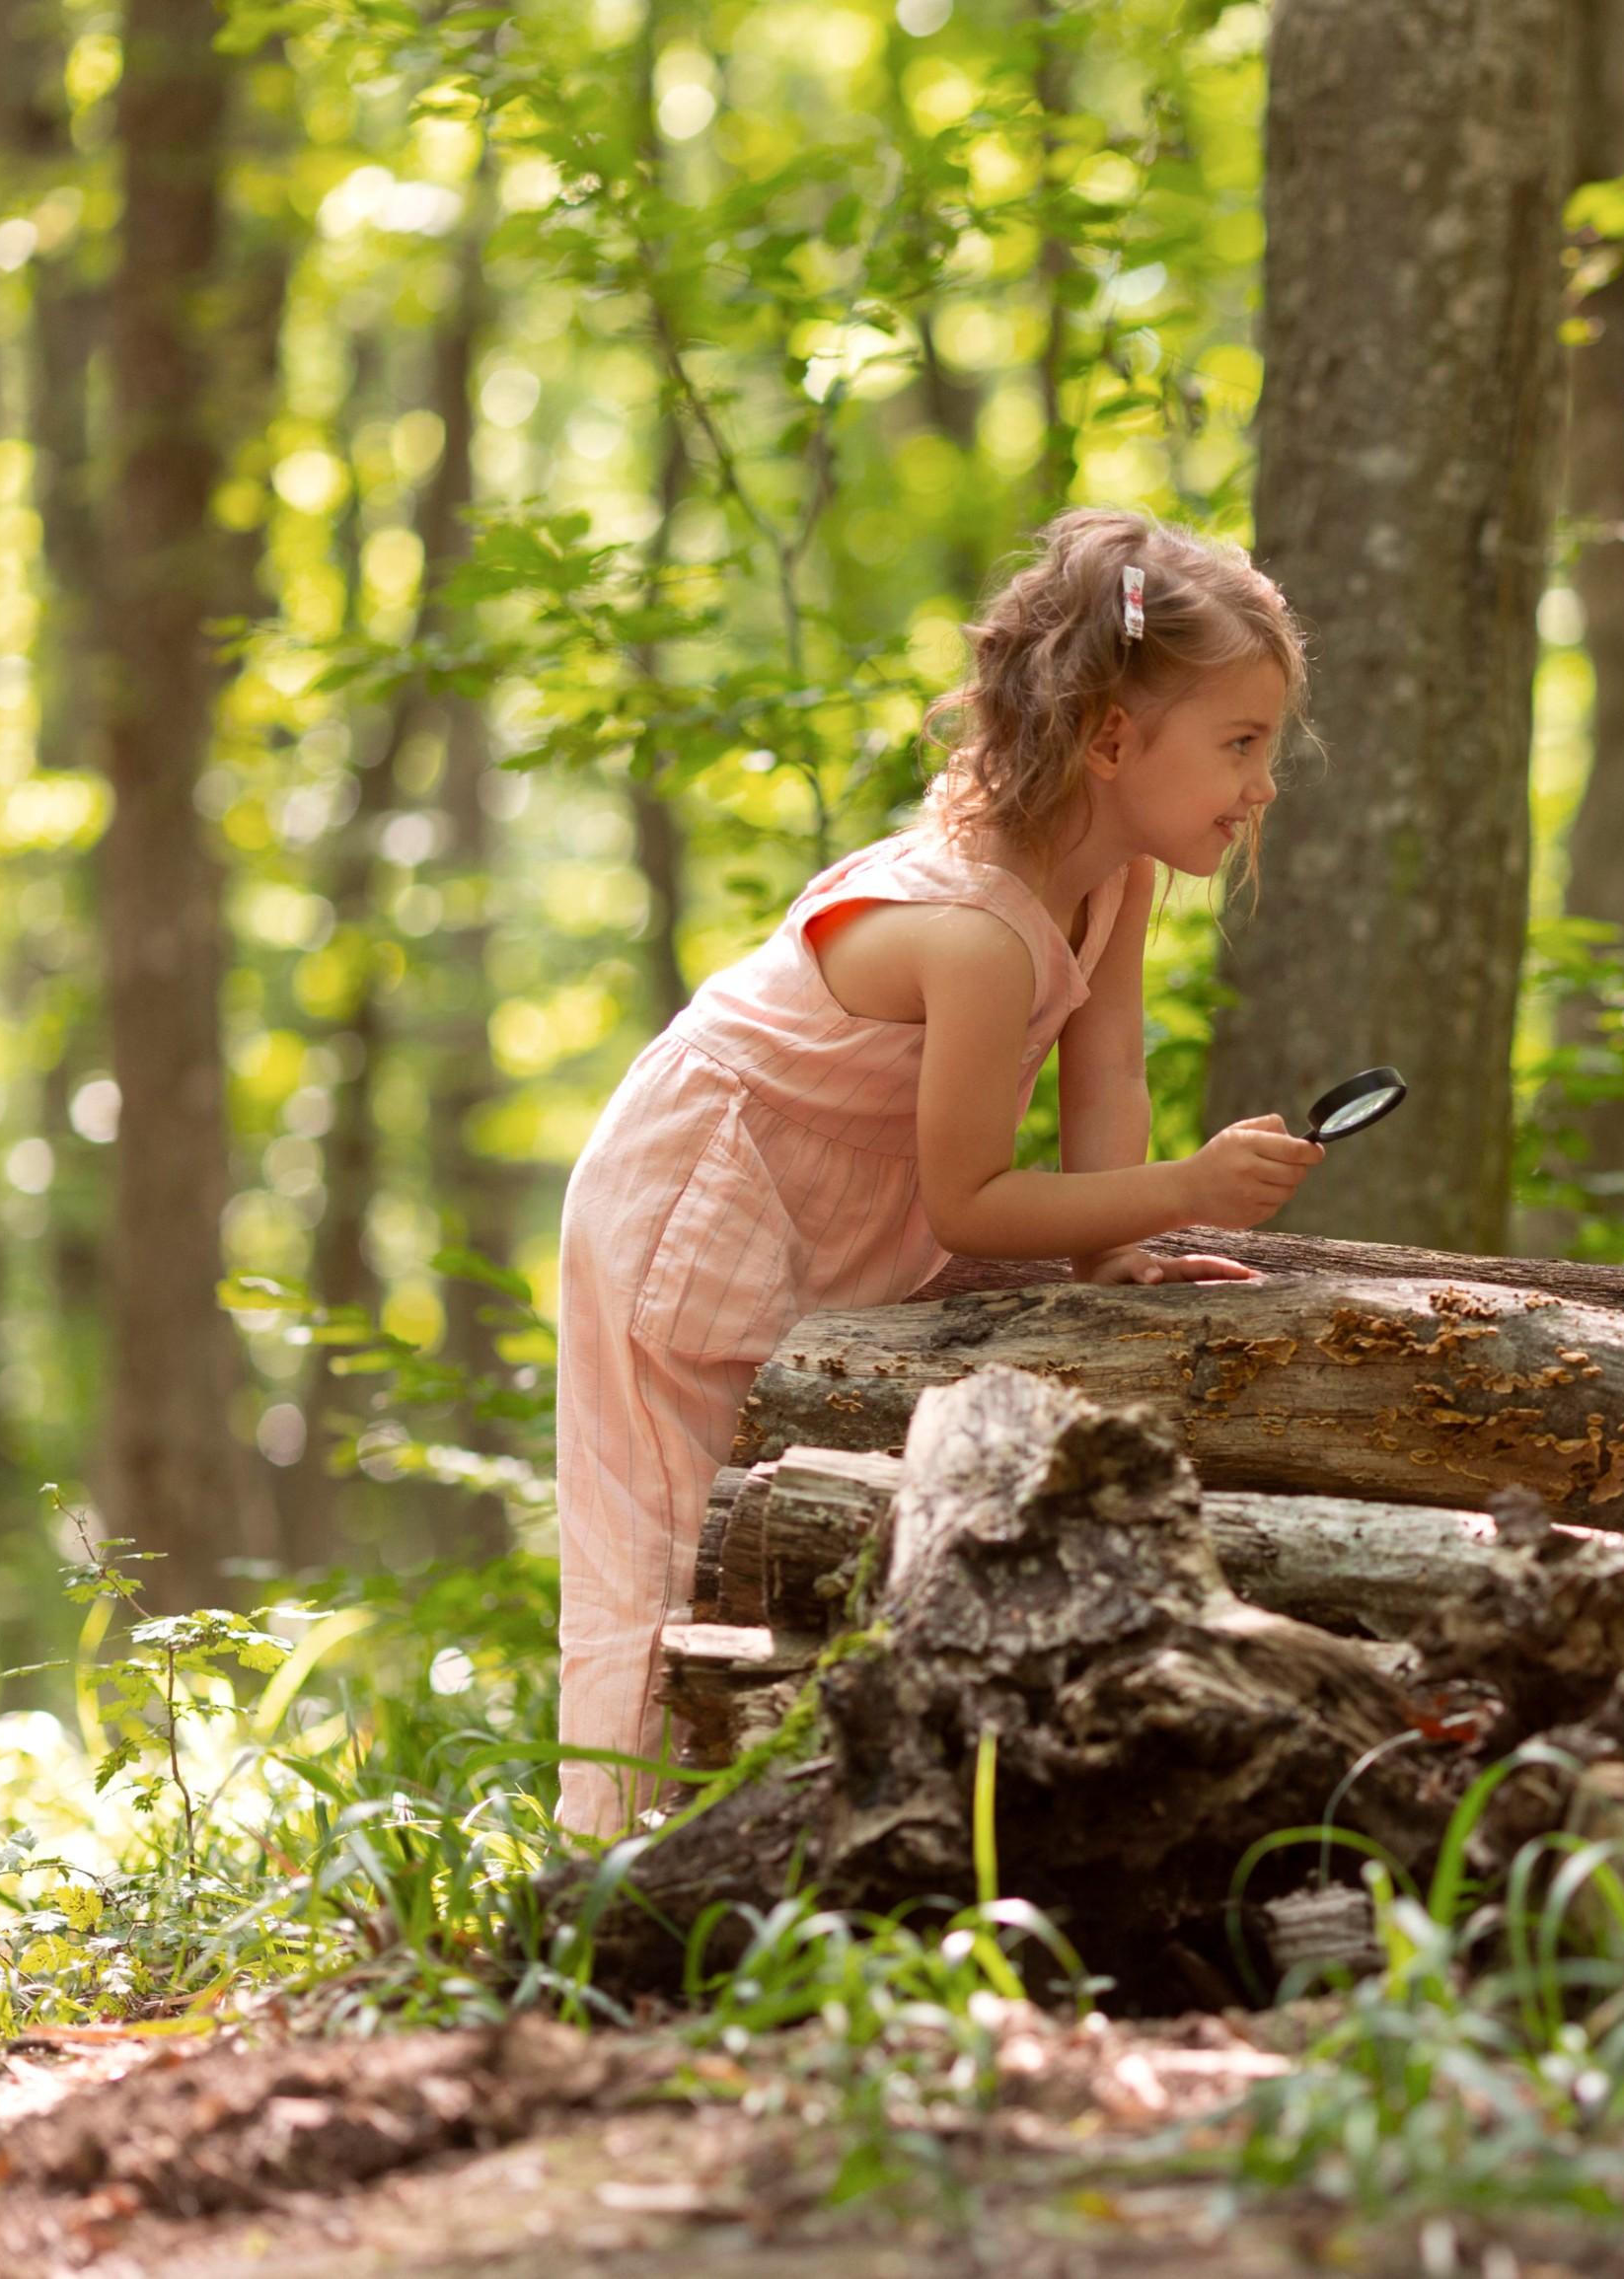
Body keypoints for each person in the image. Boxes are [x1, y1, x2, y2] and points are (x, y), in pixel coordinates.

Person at [554, 508, 1326, 1836]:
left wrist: (1111, 1245)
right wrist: (1185, 1187)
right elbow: (973, 1198)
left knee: (781, 1528)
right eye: (1239, 745)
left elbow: (1106, 1075)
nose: (1262, 785)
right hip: (693, 1193)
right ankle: (602, 1873)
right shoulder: (970, 931)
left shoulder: (1107, 879)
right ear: (1112, 739)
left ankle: (773, 1859)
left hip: (832, 1202)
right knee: (657, 1555)